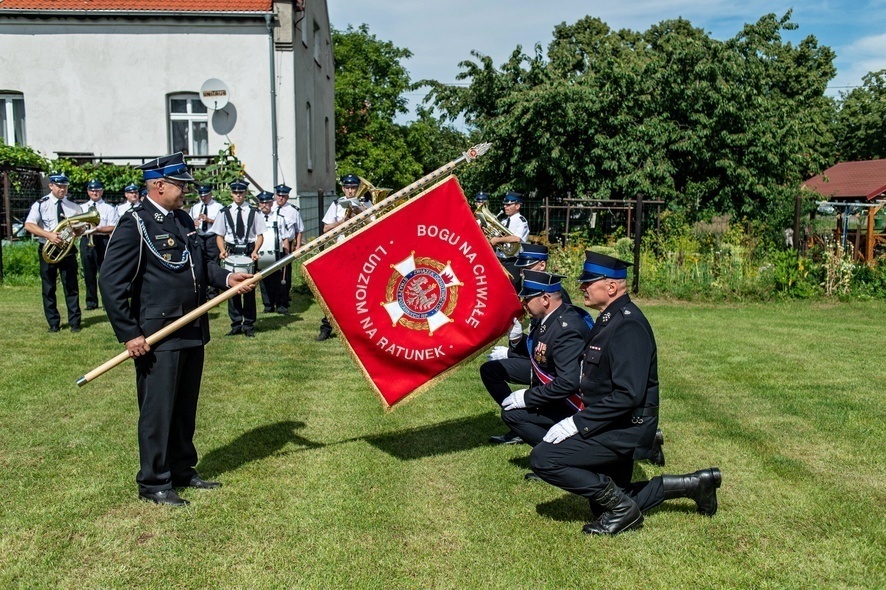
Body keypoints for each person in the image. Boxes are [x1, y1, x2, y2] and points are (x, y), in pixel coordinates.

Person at [99, 152, 254, 506]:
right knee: (158, 408)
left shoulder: (183, 219)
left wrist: (229, 278)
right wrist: (129, 332)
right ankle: (154, 480)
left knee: (185, 405)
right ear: (158, 185)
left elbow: (201, 265)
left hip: (191, 325)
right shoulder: (135, 223)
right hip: (158, 333)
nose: (185, 189)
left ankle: (183, 469)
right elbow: (110, 282)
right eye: (180, 184)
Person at [527, 251, 721, 535]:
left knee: (544, 458)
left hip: (625, 427)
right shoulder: (610, 319)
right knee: (604, 501)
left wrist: (576, 423)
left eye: (588, 282)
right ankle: (696, 484)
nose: (581, 287)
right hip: (612, 422)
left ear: (611, 287)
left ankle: (621, 510)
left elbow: (628, 394)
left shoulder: (627, 324)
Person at [484, 270, 592, 448]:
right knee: (511, 413)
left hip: (571, 404)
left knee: (514, 413)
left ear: (545, 299)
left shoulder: (566, 329)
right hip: (555, 394)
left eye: (527, 299)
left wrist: (527, 397)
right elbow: (542, 354)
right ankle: (552, 454)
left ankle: (558, 456)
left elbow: (568, 383)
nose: (523, 303)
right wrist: (518, 341)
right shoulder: (549, 319)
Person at [24, 173, 84, 333]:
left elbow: (81, 229)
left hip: (67, 249)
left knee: (71, 286)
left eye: (65, 186)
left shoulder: (74, 207)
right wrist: (49, 235)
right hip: (48, 249)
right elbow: (29, 225)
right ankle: (53, 323)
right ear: (51, 186)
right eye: (59, 186)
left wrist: (78, 230)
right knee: (48, 287)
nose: (62, 189)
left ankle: (75, 323)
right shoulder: (41, 204)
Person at [211, 179, 265, 337]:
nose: (238, 195)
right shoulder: (224, 212)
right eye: (235, 192)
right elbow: (219, 235)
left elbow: (260, 235)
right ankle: (235, 323)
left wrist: (256, 250)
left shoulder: (254, 212)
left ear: (246, 193)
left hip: (248, 251)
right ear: (231, 193)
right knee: (231, 289)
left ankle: (248, 324)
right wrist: (221, 250)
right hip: (231, 250)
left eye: (241, 192)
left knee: (248, 288)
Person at [315, 173, 360, 341]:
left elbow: (374, 223)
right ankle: (326, 327)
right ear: (343, 188)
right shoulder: (336, 204)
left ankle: (355, 330)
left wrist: (359, 214)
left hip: (360, 251)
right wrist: (342, 222)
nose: (350, 190)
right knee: (335, 292)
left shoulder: (365, 203)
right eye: (347, 187)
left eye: (353, 187)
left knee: (359, 292)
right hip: (341, 251)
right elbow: (326, 229)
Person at [79, 179, 119, 310]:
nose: (94, 192)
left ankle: (106, 302)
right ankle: (91, 302)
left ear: (102, 191)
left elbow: (113, 226)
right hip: (86, 239)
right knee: (88, 272)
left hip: (102, 240)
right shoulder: (82, 208)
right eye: (92, 190)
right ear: (88, 192)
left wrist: (98, 229)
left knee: (105, 273)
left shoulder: (109, 208)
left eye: (97, 190)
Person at [257, 190, 295, 314]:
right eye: (262, 203)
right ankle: (268, 305)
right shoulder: (256, 218)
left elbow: (284, 237)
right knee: (264, 280)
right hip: (261, 253)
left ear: (271, 203)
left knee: (279, 280)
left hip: (277, 252)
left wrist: (286, 255)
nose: (264, 205)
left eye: (267, 203)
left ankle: (281, 306)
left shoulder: (279, 218)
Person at [269, 183, 303, 313]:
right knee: (270, 274)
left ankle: (283, 302)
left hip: (286, 245)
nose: (281, 198)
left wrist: (298, 245)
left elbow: (299, 230)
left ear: (288, 197)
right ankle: (270, 302)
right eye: (278, 195)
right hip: (271, 245)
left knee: (284, 276)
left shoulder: (293, 210)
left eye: (283, 196)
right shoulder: (270, 207)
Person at [189, 184, 223, 295]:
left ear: (210, 194)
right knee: (200, 261)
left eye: (206, 196)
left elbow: (221, 223)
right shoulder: (195, 207)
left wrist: (208, 220)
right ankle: (203, 289)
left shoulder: (218, 207)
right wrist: (193, 223)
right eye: (201, 196)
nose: (203, 198)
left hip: (212, 236)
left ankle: (213, 292)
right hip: (200, 236)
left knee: (213, 261)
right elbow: (190, 221)